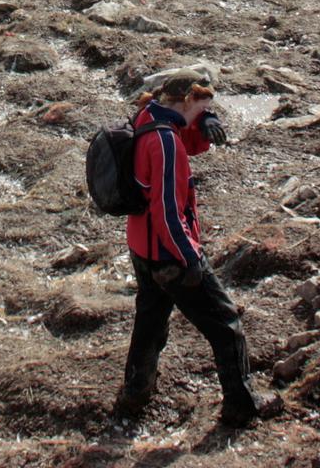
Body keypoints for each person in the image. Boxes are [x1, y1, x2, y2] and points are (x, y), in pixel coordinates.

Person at [113, 64, 268, 428]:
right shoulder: (166, 142)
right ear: (186, 101)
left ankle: (136, 393)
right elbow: (167, 209)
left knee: (151, 321)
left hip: (142, 246)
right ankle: (241, 406)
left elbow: (184, 136)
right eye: (200, 107)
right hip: (170, 252)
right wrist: (189, 256)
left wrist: (203, 121)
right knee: (225, 323)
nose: (204, 113)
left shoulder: (148, 116)